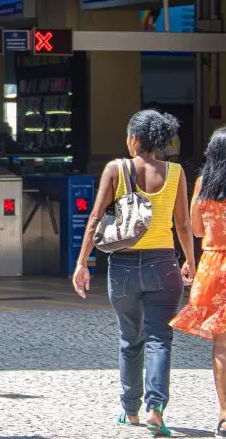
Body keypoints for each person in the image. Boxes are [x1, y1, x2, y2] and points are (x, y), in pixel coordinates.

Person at [72, 109, 195, 437]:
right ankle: (156, 410)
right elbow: (182, 224)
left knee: (130, 338)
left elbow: (96, 217)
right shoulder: (176, 172)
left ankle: (130, 409)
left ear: (135, 139)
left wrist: (83, 263)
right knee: (160, 338)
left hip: (124, 268)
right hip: (164, 265)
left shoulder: (117, 169)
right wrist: (190, 262)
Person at [171, 127, 226, 437]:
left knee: (222, 345)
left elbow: (196, 229)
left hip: (215, 266)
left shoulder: (204, 184)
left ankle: (224, 415)